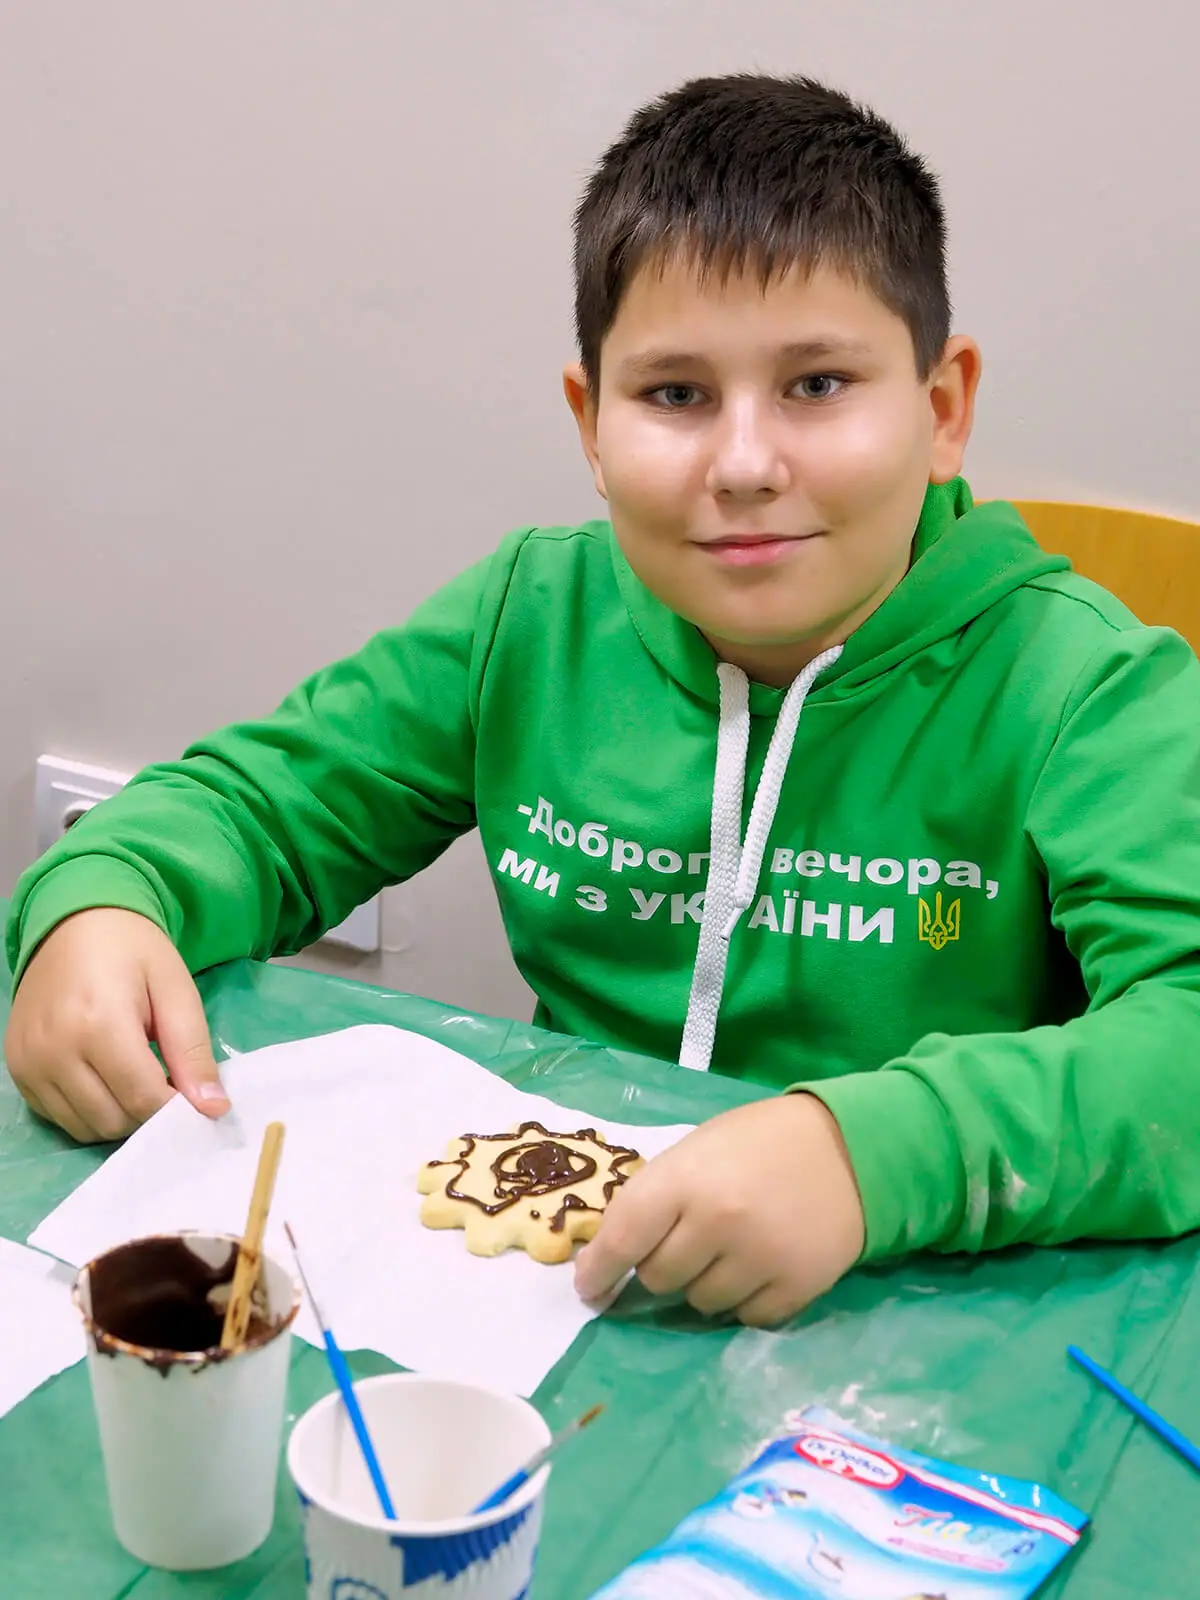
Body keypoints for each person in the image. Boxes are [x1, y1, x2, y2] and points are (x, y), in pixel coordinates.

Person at [7, 74, 1200, 1328]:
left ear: (941, 408)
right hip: (562, 1306)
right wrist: (100, 898)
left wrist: (868, 1155)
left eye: (817, 384)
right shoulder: (528, 617)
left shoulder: (1090, 687)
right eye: (676, 394)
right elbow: (255, 808)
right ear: (591, 423)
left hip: (916, 1318)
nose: (745, 464)